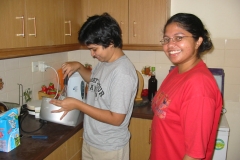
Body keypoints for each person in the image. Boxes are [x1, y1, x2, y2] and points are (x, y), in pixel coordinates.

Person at [50, 13, 138, 160]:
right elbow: (95, 81)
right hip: (92, 141)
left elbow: (116, 119)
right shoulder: (105, 62)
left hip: (109, 148)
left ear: (110, 42)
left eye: (94, 49)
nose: (92, 54)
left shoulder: (123, 73)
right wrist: (79, 67)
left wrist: (77, 104)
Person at [150, 13, 222, 160]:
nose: (170, 45)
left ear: (198, 41)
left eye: (179, 37)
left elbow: (194, 156)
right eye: (166, 39)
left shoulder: (199, 85)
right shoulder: (177, 71)